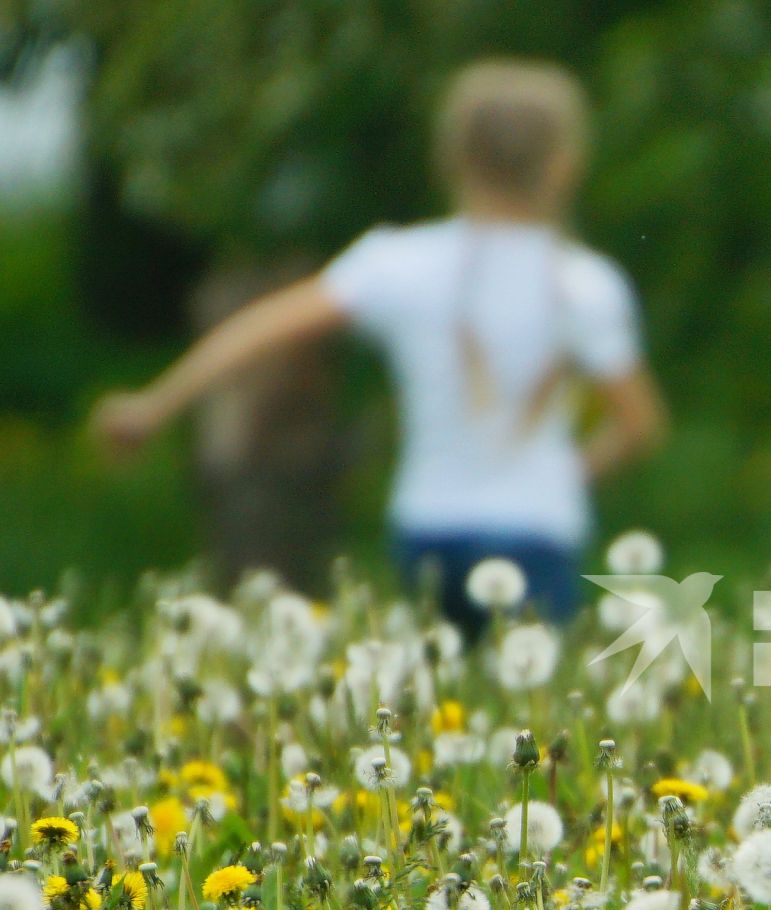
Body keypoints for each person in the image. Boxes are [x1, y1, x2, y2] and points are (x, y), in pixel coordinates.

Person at [92, 59, 668, 636]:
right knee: (535, 718)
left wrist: (154, 405)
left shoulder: (399, 264)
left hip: (429, 527)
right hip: (539, 528)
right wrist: (566, 471)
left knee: (440, 704)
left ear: (452, 160)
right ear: (566, 163)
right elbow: (640, 424)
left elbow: (256, 331)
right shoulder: (586, 284)